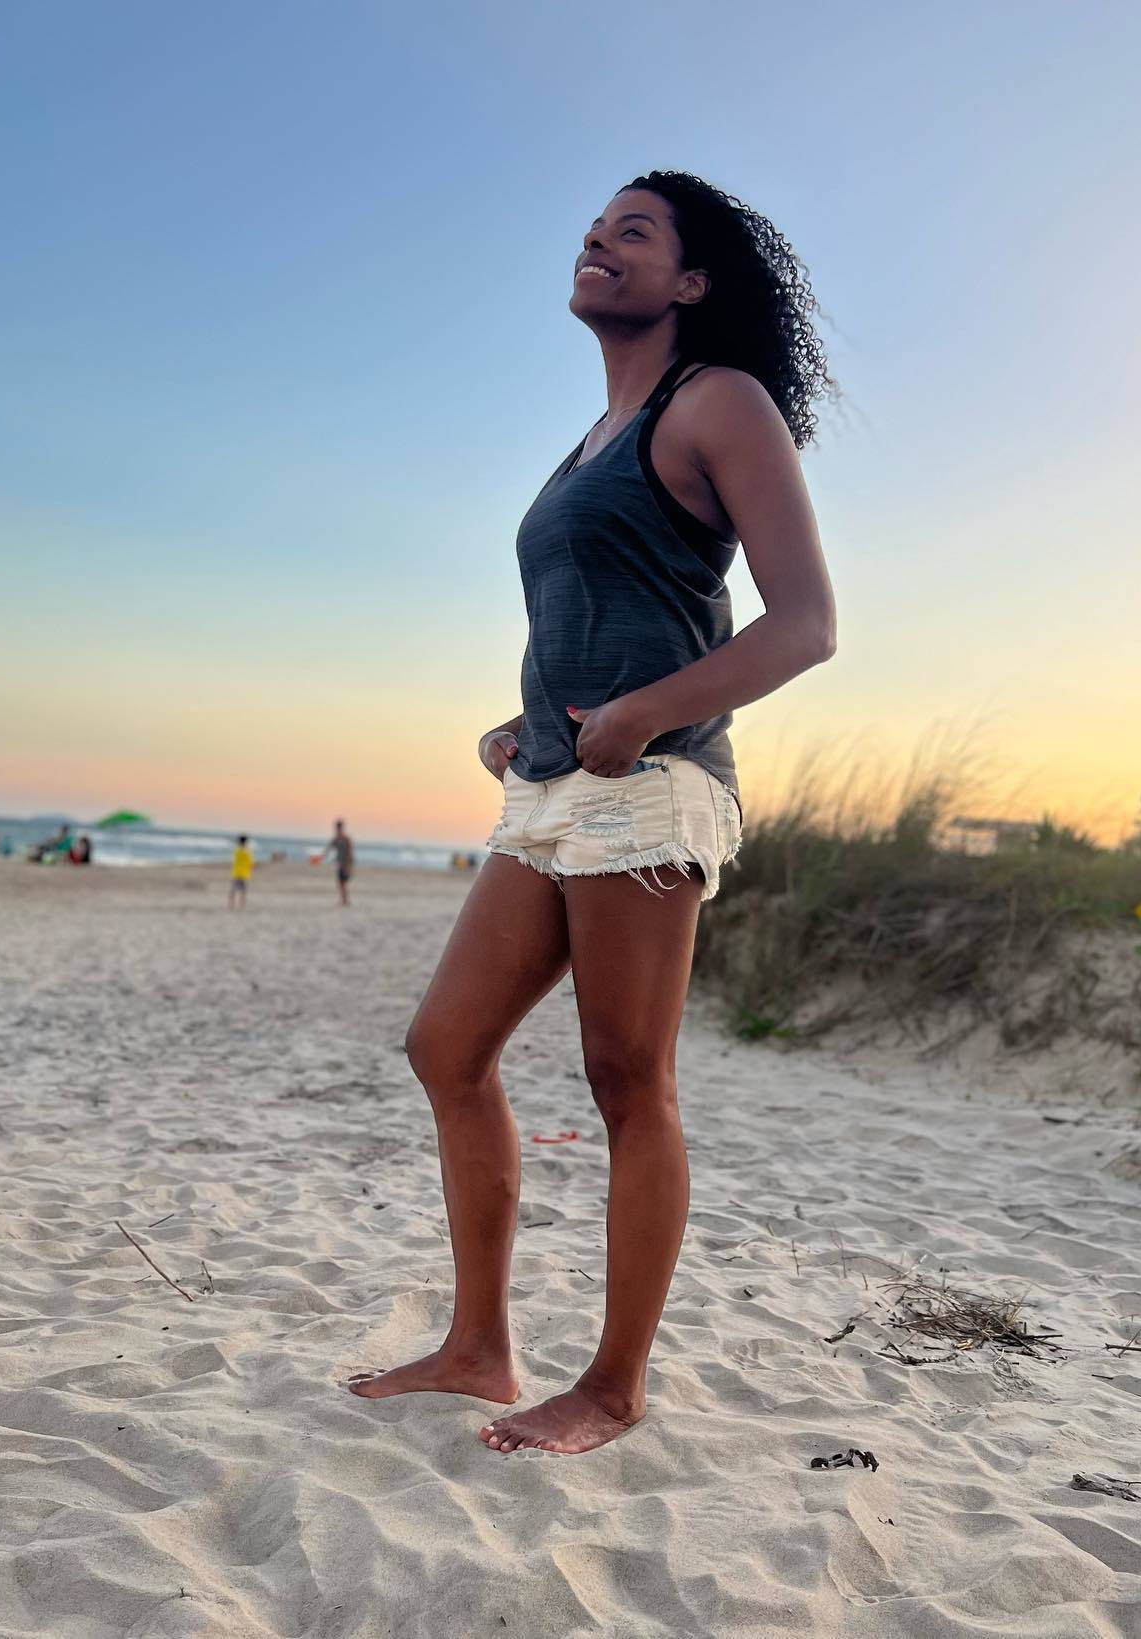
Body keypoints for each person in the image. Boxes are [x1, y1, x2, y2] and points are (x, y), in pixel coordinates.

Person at [347, 171, 837, 1456]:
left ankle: (614, 1387)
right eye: (594, 226)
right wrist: (528, 722)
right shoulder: (593, 436)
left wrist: (638, 717)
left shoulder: (716, 401)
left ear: (691, 282)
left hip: (651, 790)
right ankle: (479, 1346)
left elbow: (806, 624)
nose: (597, 241)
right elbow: (596, 608)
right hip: (553, 786)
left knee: (627, 1078)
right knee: (446, 1046)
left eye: (634, 232)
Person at [317, 819, 355, 907]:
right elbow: (329, 848)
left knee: (343, 883)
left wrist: (348, 866)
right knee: (341, 883)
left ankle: (345, 900)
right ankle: (344, 900)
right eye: (337, 828)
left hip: (345, 864)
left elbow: (350, 853)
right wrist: (321, 857)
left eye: (338, 828)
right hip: (340, 864)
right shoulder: (336, 839)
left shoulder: (346, 839)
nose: (337, 830)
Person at [229, 834, 254, 909]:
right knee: (243, 891)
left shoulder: (236, 850)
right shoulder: (247, 851)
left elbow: (233, 860)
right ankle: (242, 905)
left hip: (236, 872)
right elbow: (250, 863)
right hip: (244, 873)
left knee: (233, 889)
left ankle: (231, 904)